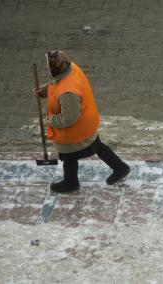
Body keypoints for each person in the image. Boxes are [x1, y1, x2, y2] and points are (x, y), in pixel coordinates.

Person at [33, 50, 130, 193]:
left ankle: (71, 183)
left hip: (76, 132)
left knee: (69, 156)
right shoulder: (71, 68)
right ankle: (120, 168)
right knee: (97, 146)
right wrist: (44, 90)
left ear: (55, 68)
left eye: (48, 65)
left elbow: (69, 118)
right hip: (87, 123)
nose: (46, 67)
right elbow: (58, 83)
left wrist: (51, 120)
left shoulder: (68, 93)